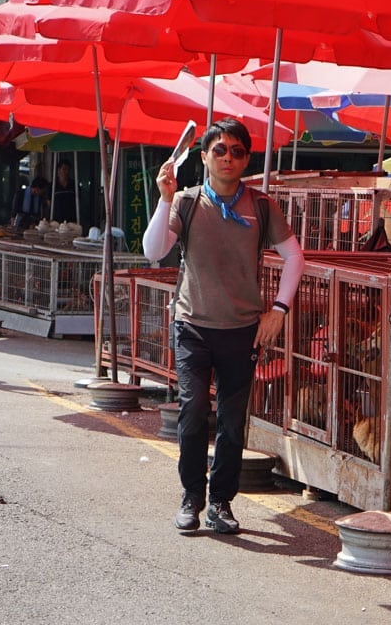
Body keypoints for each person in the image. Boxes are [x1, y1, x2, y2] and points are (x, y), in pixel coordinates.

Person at [143, 118, 305, 534]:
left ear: (246, 158)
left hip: (242, 329)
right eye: (219, 150)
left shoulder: (262, 205)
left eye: (236, 151)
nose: (228, 157)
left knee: (233, 421)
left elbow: (295, 257)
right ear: (204, 157)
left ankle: (220, 503)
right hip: (193, 325)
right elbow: (154, 250)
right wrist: (164, 199)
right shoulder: (187, 201)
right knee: (194, 411)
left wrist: (279, 310)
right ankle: (191, 497)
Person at [50, 158, 77, 223]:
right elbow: (49, 202)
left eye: (68, 169)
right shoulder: (52, 185)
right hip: (56, 220)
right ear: (58, 170)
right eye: (64, 169)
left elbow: (77, 201)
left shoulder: (74, 185)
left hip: (71, 220)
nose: (66, 172)